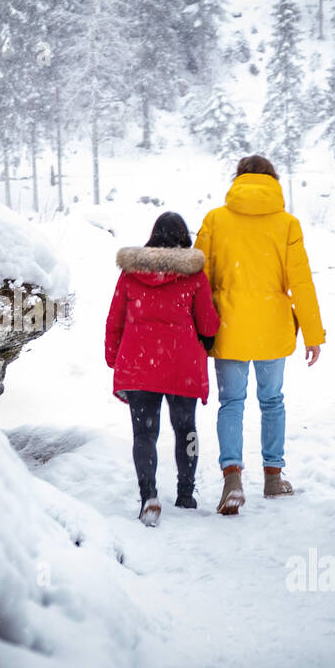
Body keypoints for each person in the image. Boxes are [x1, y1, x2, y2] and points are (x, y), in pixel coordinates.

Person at [195, 155, 325, 514]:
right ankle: (273, 476)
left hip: (228, 327)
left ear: (238, 179)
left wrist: (197, 326)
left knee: (231, 403)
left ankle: (232, 478)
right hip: (271, 327)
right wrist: (313, 333)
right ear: (273, 180)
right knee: (272, 401)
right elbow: (301, 281)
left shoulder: (216, 220)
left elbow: (199, 278)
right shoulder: (287, 224)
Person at [105, 212, 220, 527]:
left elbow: (115, 319)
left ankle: (149, 496)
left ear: (153, 236)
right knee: (187, 430)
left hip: (139, 365)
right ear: (185, 238)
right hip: (182, 367)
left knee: (144, 434)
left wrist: (114, 358)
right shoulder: (194, 276)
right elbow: (208, 325)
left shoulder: (131, 274)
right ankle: (186, 493)